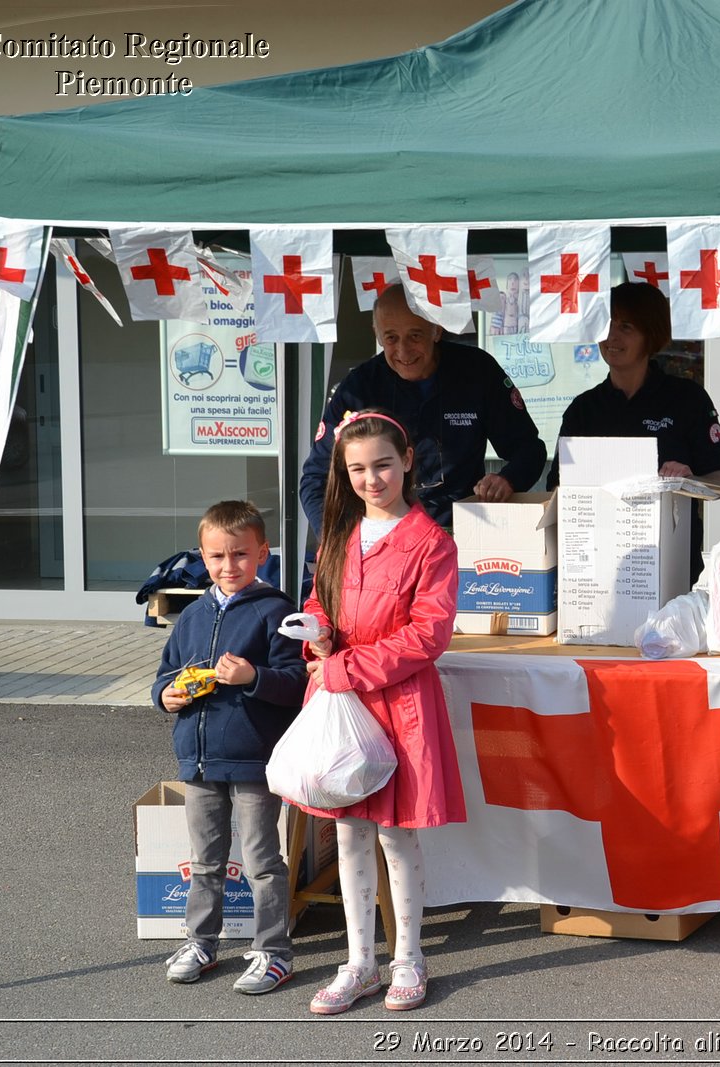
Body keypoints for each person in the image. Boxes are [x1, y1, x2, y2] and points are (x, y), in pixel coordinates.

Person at [292, 408, 464, 1014]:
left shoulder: (432, 542)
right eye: (358, 468)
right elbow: (322, 600)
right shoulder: (337, 536)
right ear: (344, 470)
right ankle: (359, 961)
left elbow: (428, 635)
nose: (371, 478)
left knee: (395, 837)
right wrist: (315, 627)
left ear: (408, 461)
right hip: (342, 699)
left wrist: (342, 666)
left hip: (400, 702)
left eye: (383, 465)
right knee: (348, 834)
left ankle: (409, 958)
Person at [150, 501, 306, 995]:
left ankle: (273, 951)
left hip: (255, 759)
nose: (228, 566)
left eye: (240, 554)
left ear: (262, 552)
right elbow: (166, 675)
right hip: (198, 760)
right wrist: (166, 696)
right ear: (202, 555)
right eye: (217, 556)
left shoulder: (276, 610)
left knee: (262, 860)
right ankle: (201, 941)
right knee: (205, 860)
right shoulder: (193, 613)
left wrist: (252, 676)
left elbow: (297, 682)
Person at [299, 285, 546, 531]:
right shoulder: (360, 388)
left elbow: (529, 449)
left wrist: (508, 479)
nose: (404, 351)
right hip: (383, 537)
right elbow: (316, 478)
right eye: (391, 338)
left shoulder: (476, 371)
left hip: (462, 533)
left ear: (436, 330)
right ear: (377, 335)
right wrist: (340, 540)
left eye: (415, 336)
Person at [546, 282, 720, 575]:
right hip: (595, 572)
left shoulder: (687, 399)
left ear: (651, 335)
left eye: (626, 326)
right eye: (606, 325)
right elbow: (557, 489)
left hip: (673, 570)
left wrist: (688, 481)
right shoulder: (583, 409)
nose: (612, 337)